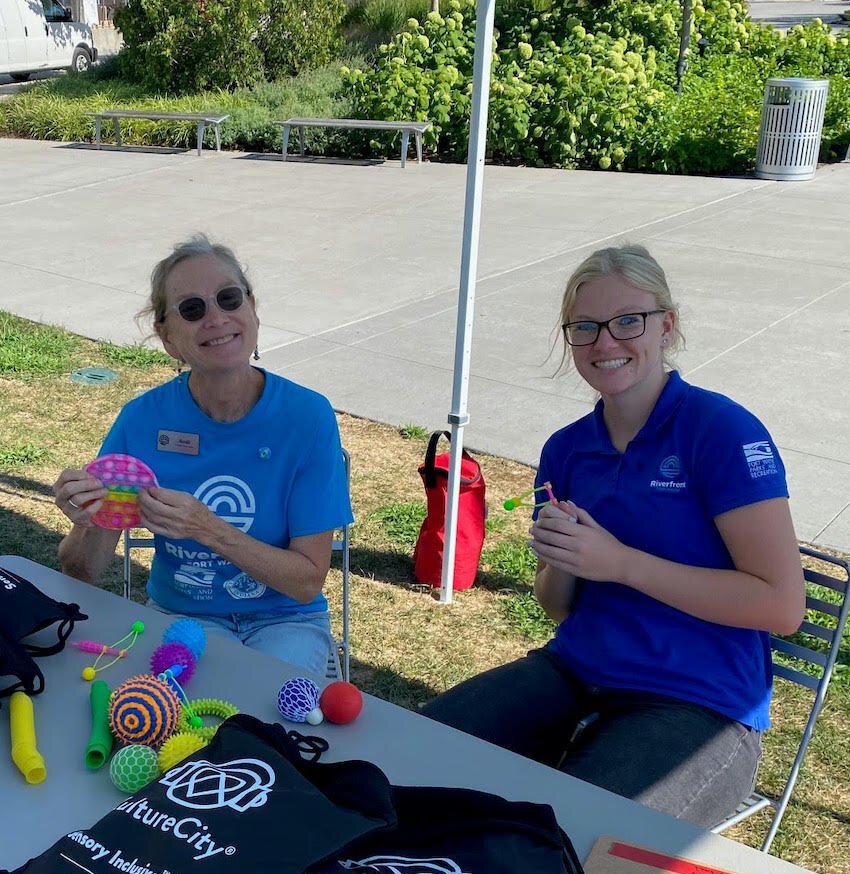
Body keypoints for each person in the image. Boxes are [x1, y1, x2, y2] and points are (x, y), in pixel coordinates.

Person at [421, 245, 805, 828]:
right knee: (408, 757)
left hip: (699, 704)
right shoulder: (567, 449)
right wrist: (568, 560)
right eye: (585, 328)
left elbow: (781, 606)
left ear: (666, 325)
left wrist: (622, 563)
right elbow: (554, 605)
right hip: (575, 673)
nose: (606, 342)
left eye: (629, 321)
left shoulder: (720, 431)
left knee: (568, 839)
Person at [54, 236, 351, 676]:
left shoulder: (306, 418)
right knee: (178, 714)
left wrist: (208, 528)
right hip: (183, 617)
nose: (216, 318)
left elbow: (306, 583)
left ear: (252, 308)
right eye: (192, 309)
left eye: (228, 299)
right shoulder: (142, 421)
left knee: (268, 718)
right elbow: (81, 573)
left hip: (286, 619)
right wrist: (90, 518)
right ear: (168, 337)